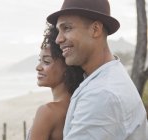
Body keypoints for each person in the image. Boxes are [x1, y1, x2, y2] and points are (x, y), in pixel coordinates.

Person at [46, 0, 148, 140]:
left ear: (95, 30)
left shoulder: (102, 94)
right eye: (58, 30)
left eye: (67, 28)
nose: (58, 39)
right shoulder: (108, 76)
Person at [27, 24, 84, 140]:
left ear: (67, 67)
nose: (38, 67)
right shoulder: (79, 105)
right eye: (40, 60)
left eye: (46, 61)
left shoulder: (47, 112)